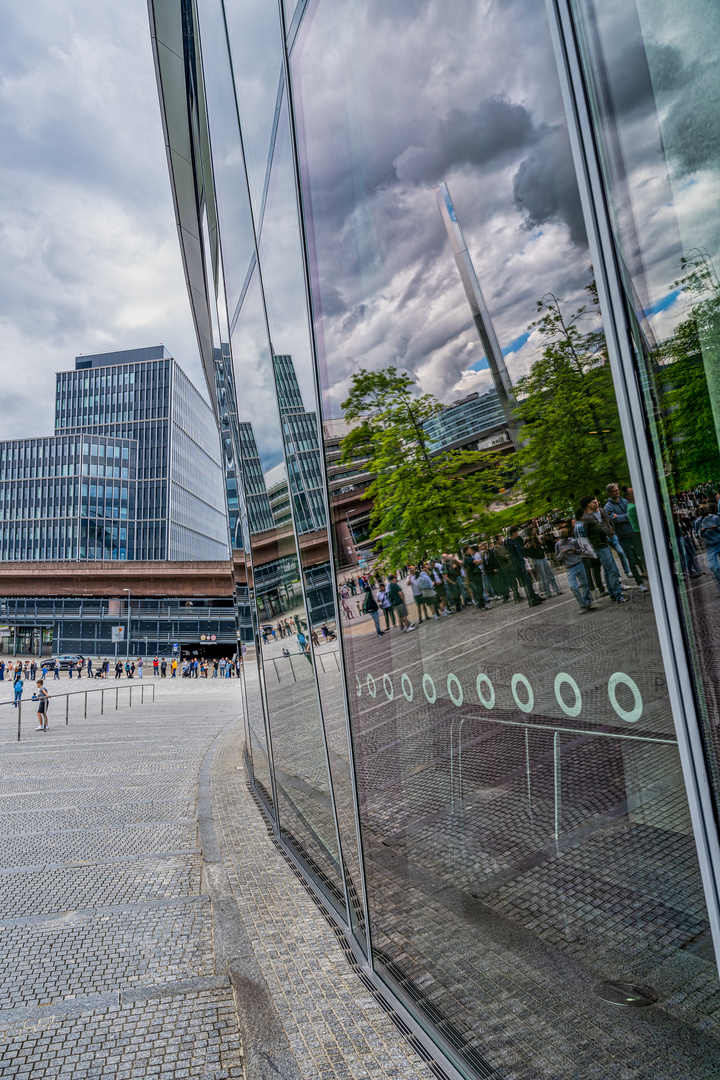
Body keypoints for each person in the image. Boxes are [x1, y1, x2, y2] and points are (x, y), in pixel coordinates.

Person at [579, 495, 627, 603]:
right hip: (601, 546)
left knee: (607, 570)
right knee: (612, 570)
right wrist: (610, 533)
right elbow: (601, 529)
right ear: (588, 504)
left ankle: (612, 594)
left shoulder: (588, 516)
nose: (595, 504)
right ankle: (618, 596)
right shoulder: (589, 518)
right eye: (593, 502)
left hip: (601, 545)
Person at [604, 483, 647, 590]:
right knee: (631, 560)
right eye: (614, 491)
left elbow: (627, 514)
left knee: (642, 555)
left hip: (634, 532)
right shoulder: (608, 507)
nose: (617, 492)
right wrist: (628, 515)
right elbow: (615, 519)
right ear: (609, 493)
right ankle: (639, 582)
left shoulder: (624, 501)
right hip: (623, 536)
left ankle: (647, 573)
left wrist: (623, 516)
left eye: (618, 490)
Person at [555, 528, 595, 612]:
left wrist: (575, 550)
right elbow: (557, 558)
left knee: (585, 584)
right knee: (573, 587)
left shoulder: (573, 541)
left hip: (578, 563)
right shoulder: (558, 545)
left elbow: (580, 551)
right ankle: (582, 604)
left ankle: (588, 602)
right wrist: (562, 553)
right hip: (569, 567)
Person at [699, 502, 720, 591]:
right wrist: (702, 532)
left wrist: (716, 528)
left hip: (719, 541)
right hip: (710, 546)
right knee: (713, 567)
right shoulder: (698, 522)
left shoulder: (715, 518)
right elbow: (698, 535)